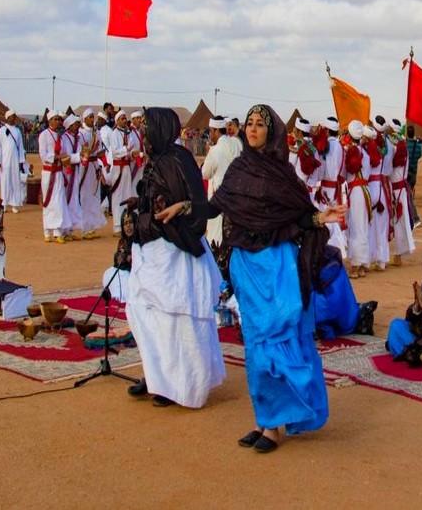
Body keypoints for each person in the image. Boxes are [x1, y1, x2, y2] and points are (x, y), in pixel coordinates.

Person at [156, 104, 345, 453]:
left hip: (279, 265)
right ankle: (266, 421)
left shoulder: (284, 174)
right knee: (258, 345)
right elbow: (215, 207)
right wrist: (183, 207)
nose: (254, 129)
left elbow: (300, 218)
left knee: (282, 337)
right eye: (249, 124)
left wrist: (321, 218)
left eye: (260, 124)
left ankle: (280, 419)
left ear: (271, 132)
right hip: (247, 265)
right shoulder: (239, 170)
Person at [124, 107, 226, 409]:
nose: (144, 134)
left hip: (175, 251)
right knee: (145, 313)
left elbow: (193, 204)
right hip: (153, 250)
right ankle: (156, 375)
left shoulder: (176, 160)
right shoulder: (158, 159)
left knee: (174, 320)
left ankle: (179, 384)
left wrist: (163, 215)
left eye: (147, 128)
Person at [201, 116, 241, 248]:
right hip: (236, 197)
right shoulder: (237, 143)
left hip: (218, 200)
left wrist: (208, 153)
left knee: (216, 235)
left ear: (216, 131)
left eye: (211, 131)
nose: (210, 134)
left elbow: (205, 173)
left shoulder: (215, 150)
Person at [38, 111, 70, 243]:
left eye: (59, 119)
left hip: (58, 173)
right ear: (50, 120)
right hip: (48, 173)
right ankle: (47, 231)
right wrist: (56, 157)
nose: (58, 121)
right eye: (56, 119)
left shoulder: (59, 136)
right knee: (48, 201)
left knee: (58, 201)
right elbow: (43, 155)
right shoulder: (44, 135)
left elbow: (64, 154)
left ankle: (57, 231)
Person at [317, 116, 347, 257]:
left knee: (327, 219)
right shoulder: (341, 146)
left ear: (327, 130)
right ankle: (338, 250)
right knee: (335, 219)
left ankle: (331, 250)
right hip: (337, 187)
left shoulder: (325, 146)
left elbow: (321, 169)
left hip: (325, 187)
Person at [345, 120, 371, 278]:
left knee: (356, 228)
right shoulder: (366, 153)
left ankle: (356, 265)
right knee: (363, 228)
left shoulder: (353, 152)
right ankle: (363, 264)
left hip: (356, 191)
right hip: (365, 190)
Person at [366, 120, 392, 271]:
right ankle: (382, 260)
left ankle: (368, 259)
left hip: (371, 186)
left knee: (369, 224)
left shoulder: (369, 147)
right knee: (382, 225)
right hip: (384, 187)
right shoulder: (390, 145)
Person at [388, 118, 415, 265]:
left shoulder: (393, 147)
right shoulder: (402, 145)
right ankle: (398, 254)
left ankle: (396, 255)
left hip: (396, 189)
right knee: (400, 221)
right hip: (401, 188)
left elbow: (389, 167)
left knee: (396, 222)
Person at [108, 110, 138, 236]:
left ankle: (126, 224)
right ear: (117, 121)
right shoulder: (114, 134)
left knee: (127, 195)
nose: (125, 120)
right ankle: (116, 227)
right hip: (117, 169)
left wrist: (132, 154)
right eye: (122, 118)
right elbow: (115, 152)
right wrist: (127, 150)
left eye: (125, 118)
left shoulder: (129, 134)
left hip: (126, 168)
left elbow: (129, 151)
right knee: (117, 197)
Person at [78, 108, 107, 239]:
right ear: (84, 119)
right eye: (89, 117)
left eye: (92, 116)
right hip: (84, 167)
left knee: (94, 196)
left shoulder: (97, 133)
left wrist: (105, 164)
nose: (92, 119)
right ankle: (84, 228)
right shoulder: (80, 134)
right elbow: (81, 151)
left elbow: (100, 151)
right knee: (84, 196)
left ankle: (91, 227)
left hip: (94, 166)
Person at [0, 110, 27, 213]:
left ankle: (14, 204)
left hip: (15, 160)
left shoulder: (17, 131)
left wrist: (21, 161)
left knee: (14, 181)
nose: (14, 118)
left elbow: (21, 147)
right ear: (7, 118)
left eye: (14, 117)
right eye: (12, 117)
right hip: (4, 161)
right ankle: (4, 204)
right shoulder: (1, 130)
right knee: (5, 181)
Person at [61, 114, 83, 241]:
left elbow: (80, 153)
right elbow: (64, 156)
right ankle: (63, 230)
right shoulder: (63, 139)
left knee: (73, 199)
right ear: (70, 126)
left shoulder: (77, 139)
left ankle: (70, 229)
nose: (78, 126)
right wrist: (78, 157)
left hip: (76, 172)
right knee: (65, 199)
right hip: (66, 172)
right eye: (75, 124)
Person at [405, 125, 422, 225]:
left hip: (406, 174)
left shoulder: (405, 145)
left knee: (408, 197)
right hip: (414, 173)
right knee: (409, 195)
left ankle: (415, 218)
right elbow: (419, 155)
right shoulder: (418, 146)